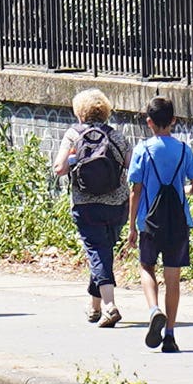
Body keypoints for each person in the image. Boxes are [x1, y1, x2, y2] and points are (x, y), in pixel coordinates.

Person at [50, 87, 134, 326]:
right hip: (117, 204)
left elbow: (59, 168)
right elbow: (132, 166)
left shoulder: (73, 135)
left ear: (80, 113)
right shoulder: (116, 136)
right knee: (102, 252)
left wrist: (76, 157)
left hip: (86, 205)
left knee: (97, 252)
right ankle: (94, 306)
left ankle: (109, 305)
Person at [126, 96, 193, 352]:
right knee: (173, 278)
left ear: (149, 122)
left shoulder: (143, 150)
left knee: (146, 267)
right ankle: (170, 334)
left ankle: (153, 310)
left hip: (149, 222)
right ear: (173, 121)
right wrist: (183, 189)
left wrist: (131, 227)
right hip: (178, 222)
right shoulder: (184, 149)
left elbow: (135, 190)